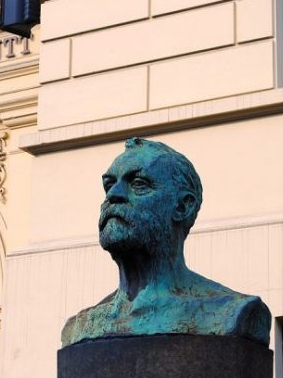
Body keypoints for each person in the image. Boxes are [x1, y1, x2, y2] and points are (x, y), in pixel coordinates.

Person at [61, 137, 271, 347]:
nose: (113, 195)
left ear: (182, 206)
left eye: (138, 184)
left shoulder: (231, 313)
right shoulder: (80, 327)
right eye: (109, 185)